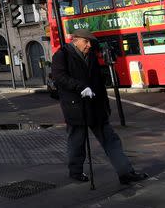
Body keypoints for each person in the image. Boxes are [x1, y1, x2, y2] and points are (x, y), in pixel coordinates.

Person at [51, 29, 148, 185]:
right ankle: (75, 172)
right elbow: (59, 77)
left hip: (95, 106)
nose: (89, 45)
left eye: (90, 42)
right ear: (75, 40)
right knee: (77, 142)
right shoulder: (62, 54)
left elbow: (98, 82)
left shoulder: (91, 56)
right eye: (86, 41)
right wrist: (79, 87)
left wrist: (105, 104)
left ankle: (125, 172)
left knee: (111, 139)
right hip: (76, 107)